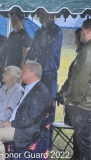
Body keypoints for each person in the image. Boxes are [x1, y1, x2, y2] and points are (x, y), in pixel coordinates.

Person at [0, 61, 51, 160]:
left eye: (24, 70)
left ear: (32, 74)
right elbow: (19, 110)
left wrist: (13, 123)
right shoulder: (29, 88)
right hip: (17, 124)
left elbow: (32, 118)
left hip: (26, 130)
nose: (21, 72)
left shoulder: (41, 93)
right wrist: (10, 120)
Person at [25, 8, 63, 148]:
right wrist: (28, 62)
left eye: (42, 13)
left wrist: (38, 66)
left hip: (48, 75)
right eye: (39, 13)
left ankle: (47, 142)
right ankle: (35, 139)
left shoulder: (56, 31)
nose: (39, 16)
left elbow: (49, 53)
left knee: (47, 109)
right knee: (35, 108)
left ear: (50, 14)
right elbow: (33, 50)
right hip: (36, 75)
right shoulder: (39, 31)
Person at [65, 19, 91, 160]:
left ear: (88, 31)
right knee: (82, 144)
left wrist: (73, 101)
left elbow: (81, 80)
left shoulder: (87, 51)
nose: (80, 33)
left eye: (82, 29)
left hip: (84, 106)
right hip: (86, 104)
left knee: (84, 146)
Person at [55, 28, 83, 160]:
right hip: (75, 105)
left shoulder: (84, 57)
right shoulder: (80, 55)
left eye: (77, 39)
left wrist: (67, 96)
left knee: (82, 138)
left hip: (80, 106)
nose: (75, 41)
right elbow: (70, 79)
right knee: (78, 136)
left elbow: (76, 81)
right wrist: (61, 93)